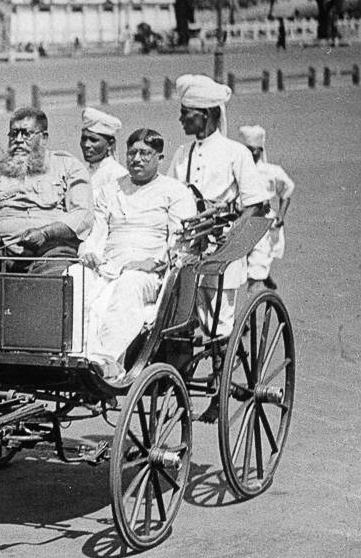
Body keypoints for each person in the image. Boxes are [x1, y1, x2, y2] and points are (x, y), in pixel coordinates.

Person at [76, 129, 197, 380]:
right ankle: (73, 353)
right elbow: (96, 232)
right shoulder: (111, 190)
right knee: (74, 277)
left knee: (130, 282)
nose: (137, 159)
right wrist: (89, 253)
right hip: (108, 265)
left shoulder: (175, 192)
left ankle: (104, 360)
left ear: (159, 158)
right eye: (132, 153)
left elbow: (180, 241)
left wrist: (155, 262)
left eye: (145, 153)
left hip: (151, 273)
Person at [168, 74, 271, 341]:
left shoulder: (236, 153)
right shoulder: (182, 154)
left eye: (186, 114)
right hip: (184, 247)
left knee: (218, 325)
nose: (181, 120)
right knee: (175, 318)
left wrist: (231, 234)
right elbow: (166, 194)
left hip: (221, 252)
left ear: (207, 115)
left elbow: (255, 204)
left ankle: (220, 369)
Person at [0, 107, 93, 265]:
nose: (18, 140)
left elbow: (82, 214)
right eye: (13, 134)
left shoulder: (68, 166)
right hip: (0, 252)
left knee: (54, 277)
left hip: (50, 251)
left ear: (44, 138)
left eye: (26, 134)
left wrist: (46, 233)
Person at [238, 124, 295, 291]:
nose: (250, 153)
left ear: (260, 150)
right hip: (242, 220)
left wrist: (281, 216)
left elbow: (286, 193)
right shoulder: (238, 170)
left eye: (253, 149)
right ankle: (264, 273)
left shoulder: (271, 171)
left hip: (264, 223)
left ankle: (250, 312)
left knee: (255, 269)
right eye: (246, 149)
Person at [80, 106, 127, 192]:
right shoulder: (84, 172)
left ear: (110, 144)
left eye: (93, 140)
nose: (86, 144)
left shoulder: (117, 175)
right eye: (84, 138)